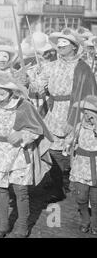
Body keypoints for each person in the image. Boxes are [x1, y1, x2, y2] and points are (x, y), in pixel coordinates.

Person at [0, 71, 53, 238]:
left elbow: (36, 129)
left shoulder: (23, 105)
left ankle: (22, 225)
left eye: (2, 92)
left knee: (21, 191)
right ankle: (3, 225)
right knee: (1, 190)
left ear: (11, 91)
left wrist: (22, 135)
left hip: (20, 153)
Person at [29, 29, 97, 203]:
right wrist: (29, 80)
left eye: (64, 42)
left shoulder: (83, 68)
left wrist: (74, 119)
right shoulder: (50, 66)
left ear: (74, 47)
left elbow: (88, 96)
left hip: (75, 110)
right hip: (53, 111)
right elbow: (37, 88)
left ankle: (80, 187)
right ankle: (57, 186)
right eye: (58, 42)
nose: (60, 45)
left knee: (76, 150)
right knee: (51, 148)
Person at [64, 95, 97, 235]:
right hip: (80, 168)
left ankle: (95, 223)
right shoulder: (79, 126)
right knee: (81, 197)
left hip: (95, 167)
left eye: (92, 112)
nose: (88, 115)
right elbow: (71, 139)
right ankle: (85, 219)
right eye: (86, 111)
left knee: (95, 201)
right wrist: (67, 143)